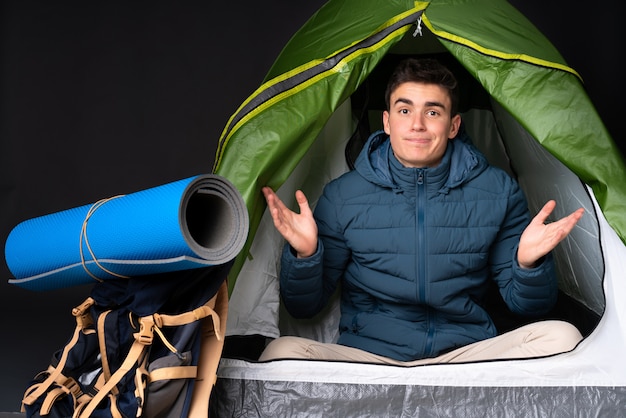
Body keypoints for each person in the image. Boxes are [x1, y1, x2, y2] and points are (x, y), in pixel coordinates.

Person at [259, 58, 584, 365]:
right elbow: (304, 306)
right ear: (387, 121)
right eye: (404, 110)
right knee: (282, 353)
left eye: (432, 112)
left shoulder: (497, 190)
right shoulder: (344, 195)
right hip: (371, 360)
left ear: (453, 125)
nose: (416, 124)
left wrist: (528, 264)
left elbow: (527, 306)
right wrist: (306, 256)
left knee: (564, 337)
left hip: (465, 357)